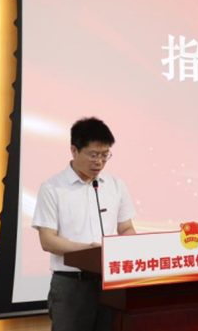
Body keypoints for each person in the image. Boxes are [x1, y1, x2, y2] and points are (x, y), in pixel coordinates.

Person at [33, 116, 136, 331]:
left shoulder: (115, 185)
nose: (99, 162)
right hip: (72, 285)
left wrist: (124, 250)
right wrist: (89, 251)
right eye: (93, 155)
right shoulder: (52, 188)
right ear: (74, 150)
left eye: (105, 155)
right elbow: (48, 240)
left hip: (111, 283)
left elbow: (126, 228)